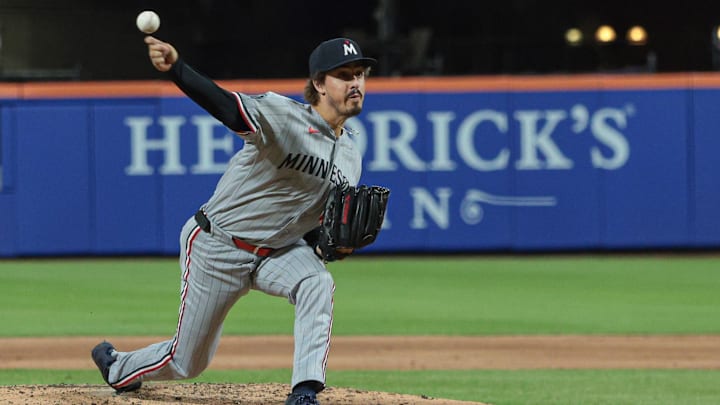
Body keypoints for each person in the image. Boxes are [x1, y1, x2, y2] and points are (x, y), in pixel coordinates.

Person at [91, 36, 377, 405]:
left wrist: (327, 242)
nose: (355, 83)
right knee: (188, 362)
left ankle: (305, 392)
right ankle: (119, 367)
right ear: (319, 84)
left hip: (276, 253)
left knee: (316, 282)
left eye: (360, 74)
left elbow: (313, 223)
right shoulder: (282, 115)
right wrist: (177, 69)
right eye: (343, 75)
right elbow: (226, 107)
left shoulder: (351, 155)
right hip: (218, 245)